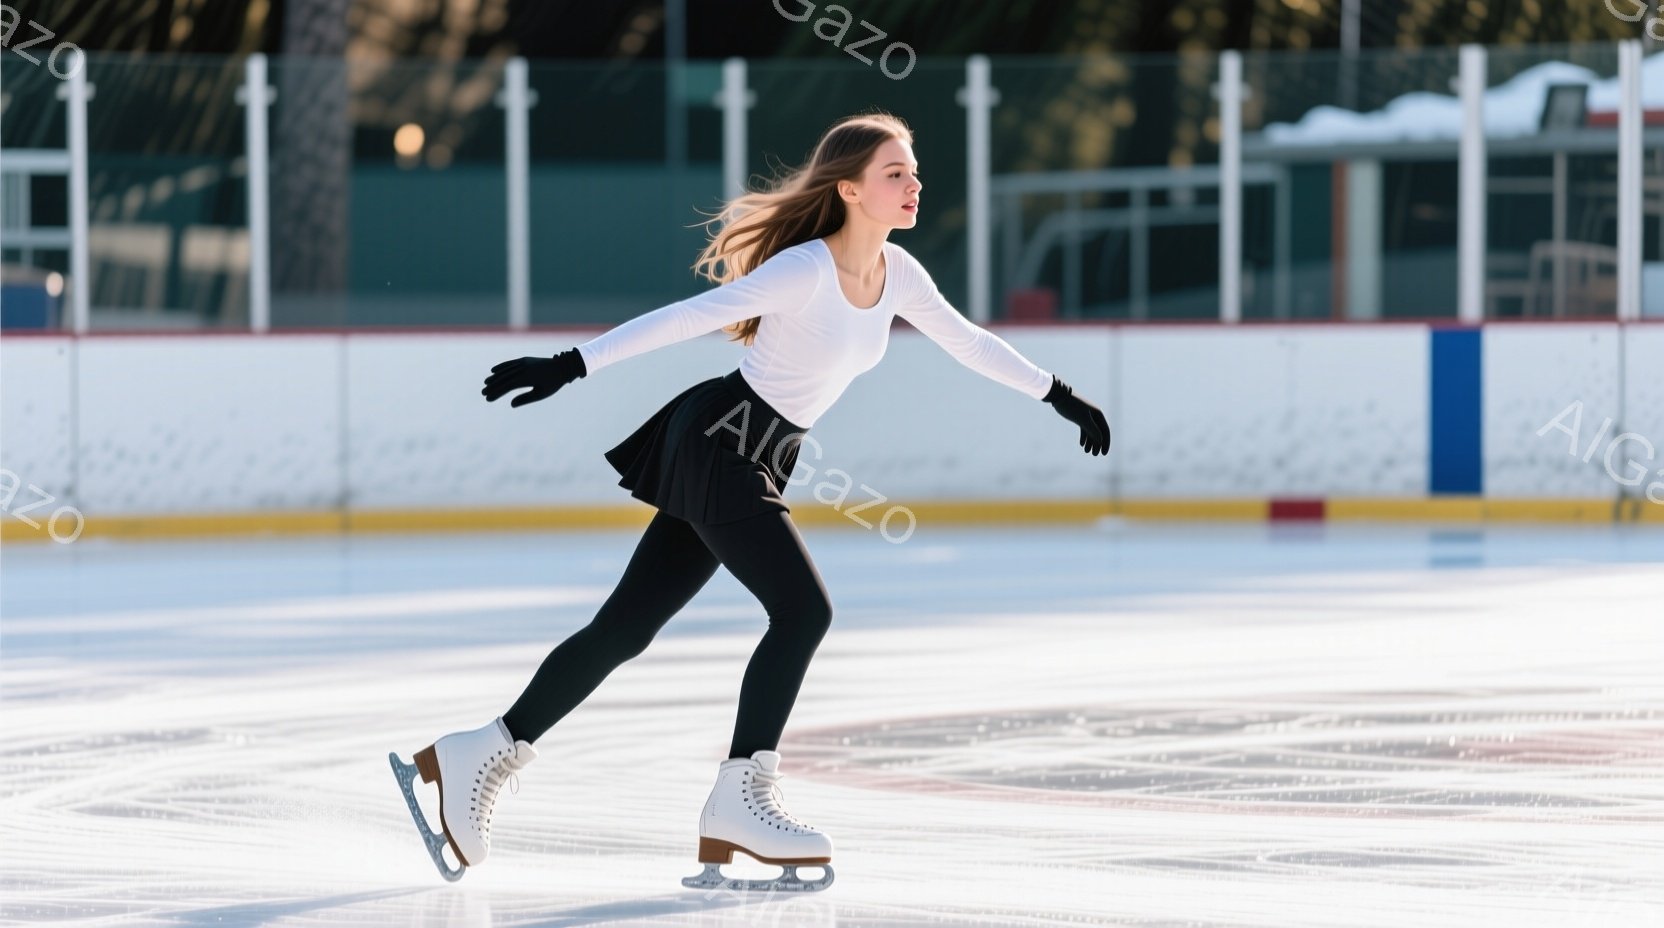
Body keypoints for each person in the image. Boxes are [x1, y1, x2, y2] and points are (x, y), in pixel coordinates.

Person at [391, 112, 1110, 892]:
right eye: (895, 173)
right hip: (722, 440)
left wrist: (1059, 396)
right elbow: (690, 316)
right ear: (849, 189)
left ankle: (475, 753)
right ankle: (741, 794)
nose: (914, 184)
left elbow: (969, 340)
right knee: (804, 611)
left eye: (913, 171)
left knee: (625, 628)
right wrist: (573, 363)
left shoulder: (897, 274)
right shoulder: (805, 267)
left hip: (760, 452)